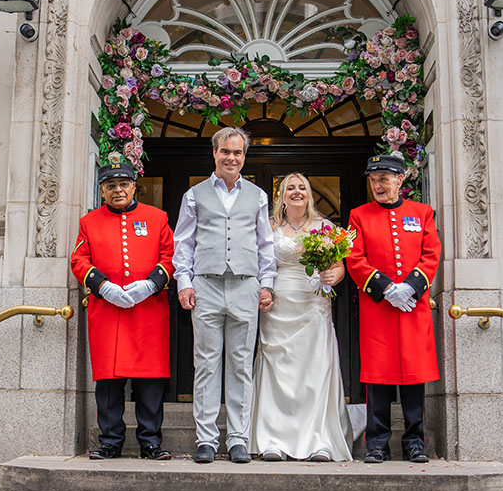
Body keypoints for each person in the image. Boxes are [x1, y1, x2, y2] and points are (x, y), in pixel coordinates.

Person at [173, 127, 276, 464]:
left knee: (241, 364)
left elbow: (265, 244)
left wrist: (266, 284)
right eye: (225, 152)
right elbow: (184, 242)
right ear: (214, 153)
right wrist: (184, 281)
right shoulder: (194, 195)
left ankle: (237, 439)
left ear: (244, 156)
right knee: (205, 363)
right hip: (206, 284)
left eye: (237, 152)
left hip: (246, 285)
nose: (231, 158)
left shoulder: (258, 196)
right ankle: (206, 439)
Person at [70, 157, 175, 460]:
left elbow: (170, 256)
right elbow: (79, 259)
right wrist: (102, 285)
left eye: (123, 184)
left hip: (148, 311)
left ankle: (150, 442)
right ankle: (110, 442)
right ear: (102, 191)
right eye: (110, 185)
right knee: (109, 383)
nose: (118, 190)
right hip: (108, 312)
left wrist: (151, 284)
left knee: (150, 382)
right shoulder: (89, 222)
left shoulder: (157, 217)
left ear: (134, 187)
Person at [248, 172, 354, 462]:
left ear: (309, 194)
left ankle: (319, 439)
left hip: (313, 303)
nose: (296, 192)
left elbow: (339, 267)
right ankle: (272, 438)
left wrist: (334, 276)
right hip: (278, 303)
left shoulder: (325, 227)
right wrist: (263, 291)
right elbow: (258, 265)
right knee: (277, 369)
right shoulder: (269, 227)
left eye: (302, 188)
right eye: (290, 188)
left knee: (314, 368)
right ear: (281, 196)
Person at [346, 152, 441, 464]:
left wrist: (411, 286)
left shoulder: (422, 212)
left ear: (400, 180)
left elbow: (431, 253)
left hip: (412, 307)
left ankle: (414, 443)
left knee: (414, 376)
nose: (377, 185)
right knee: (377, 378)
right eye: (374, 180)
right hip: (379, 309)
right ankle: (377, 444)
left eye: (384, 179)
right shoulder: (359, 215)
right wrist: (386, 288)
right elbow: (354, 258)